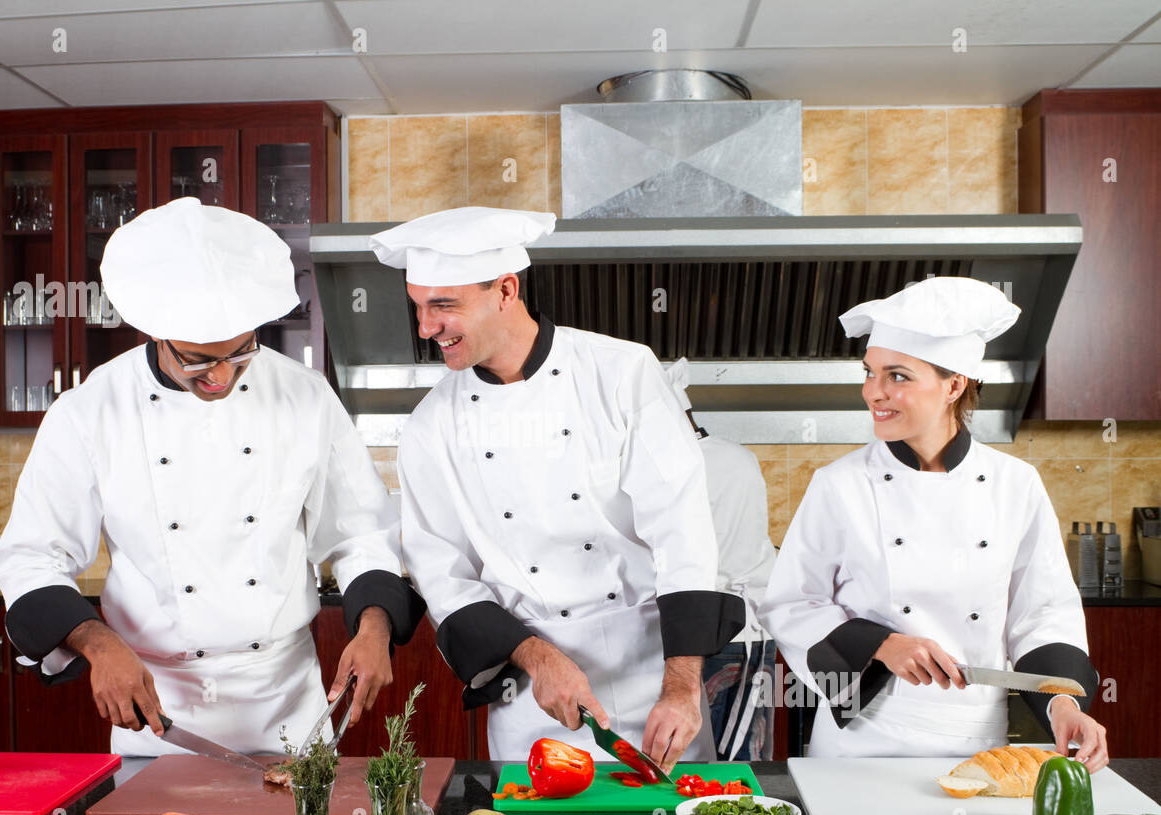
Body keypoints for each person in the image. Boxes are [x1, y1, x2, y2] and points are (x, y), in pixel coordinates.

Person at [0, 197, 422, 756]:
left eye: (241, 353)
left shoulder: (304, 396)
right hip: (158, 712)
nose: (220, 376)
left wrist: (373, 629)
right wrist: (97, 643)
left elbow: (361, 534)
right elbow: (33, 558)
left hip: (287, 701)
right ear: (156, 333)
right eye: (197, 359)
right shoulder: (91, 410)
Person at [374, 206, 744, 771]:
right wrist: (536, 656)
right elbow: (442, 574)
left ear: (505, 290)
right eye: (418, 306)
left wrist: (681, 686)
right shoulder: (431, 426)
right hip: (535, 698)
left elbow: (682, 530)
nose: (425, 328)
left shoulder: (620, 373)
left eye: (443, 305)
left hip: (657, 678)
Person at [758, 276, 1108, 769]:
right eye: (870, 372)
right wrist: (884, 643)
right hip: (862, 743)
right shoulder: (840, 485)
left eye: (897, 376)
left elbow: (1044, 612)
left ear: (954, 385)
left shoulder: (1015, 484)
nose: (873, 392)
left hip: (977, 745)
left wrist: (1062, 704)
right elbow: (792, 605)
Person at [664, 359, 778, 761]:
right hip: (745, 632)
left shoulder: (677, 470)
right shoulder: (737, 455)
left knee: (717, 761)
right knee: (739, 755)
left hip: (723, 633)